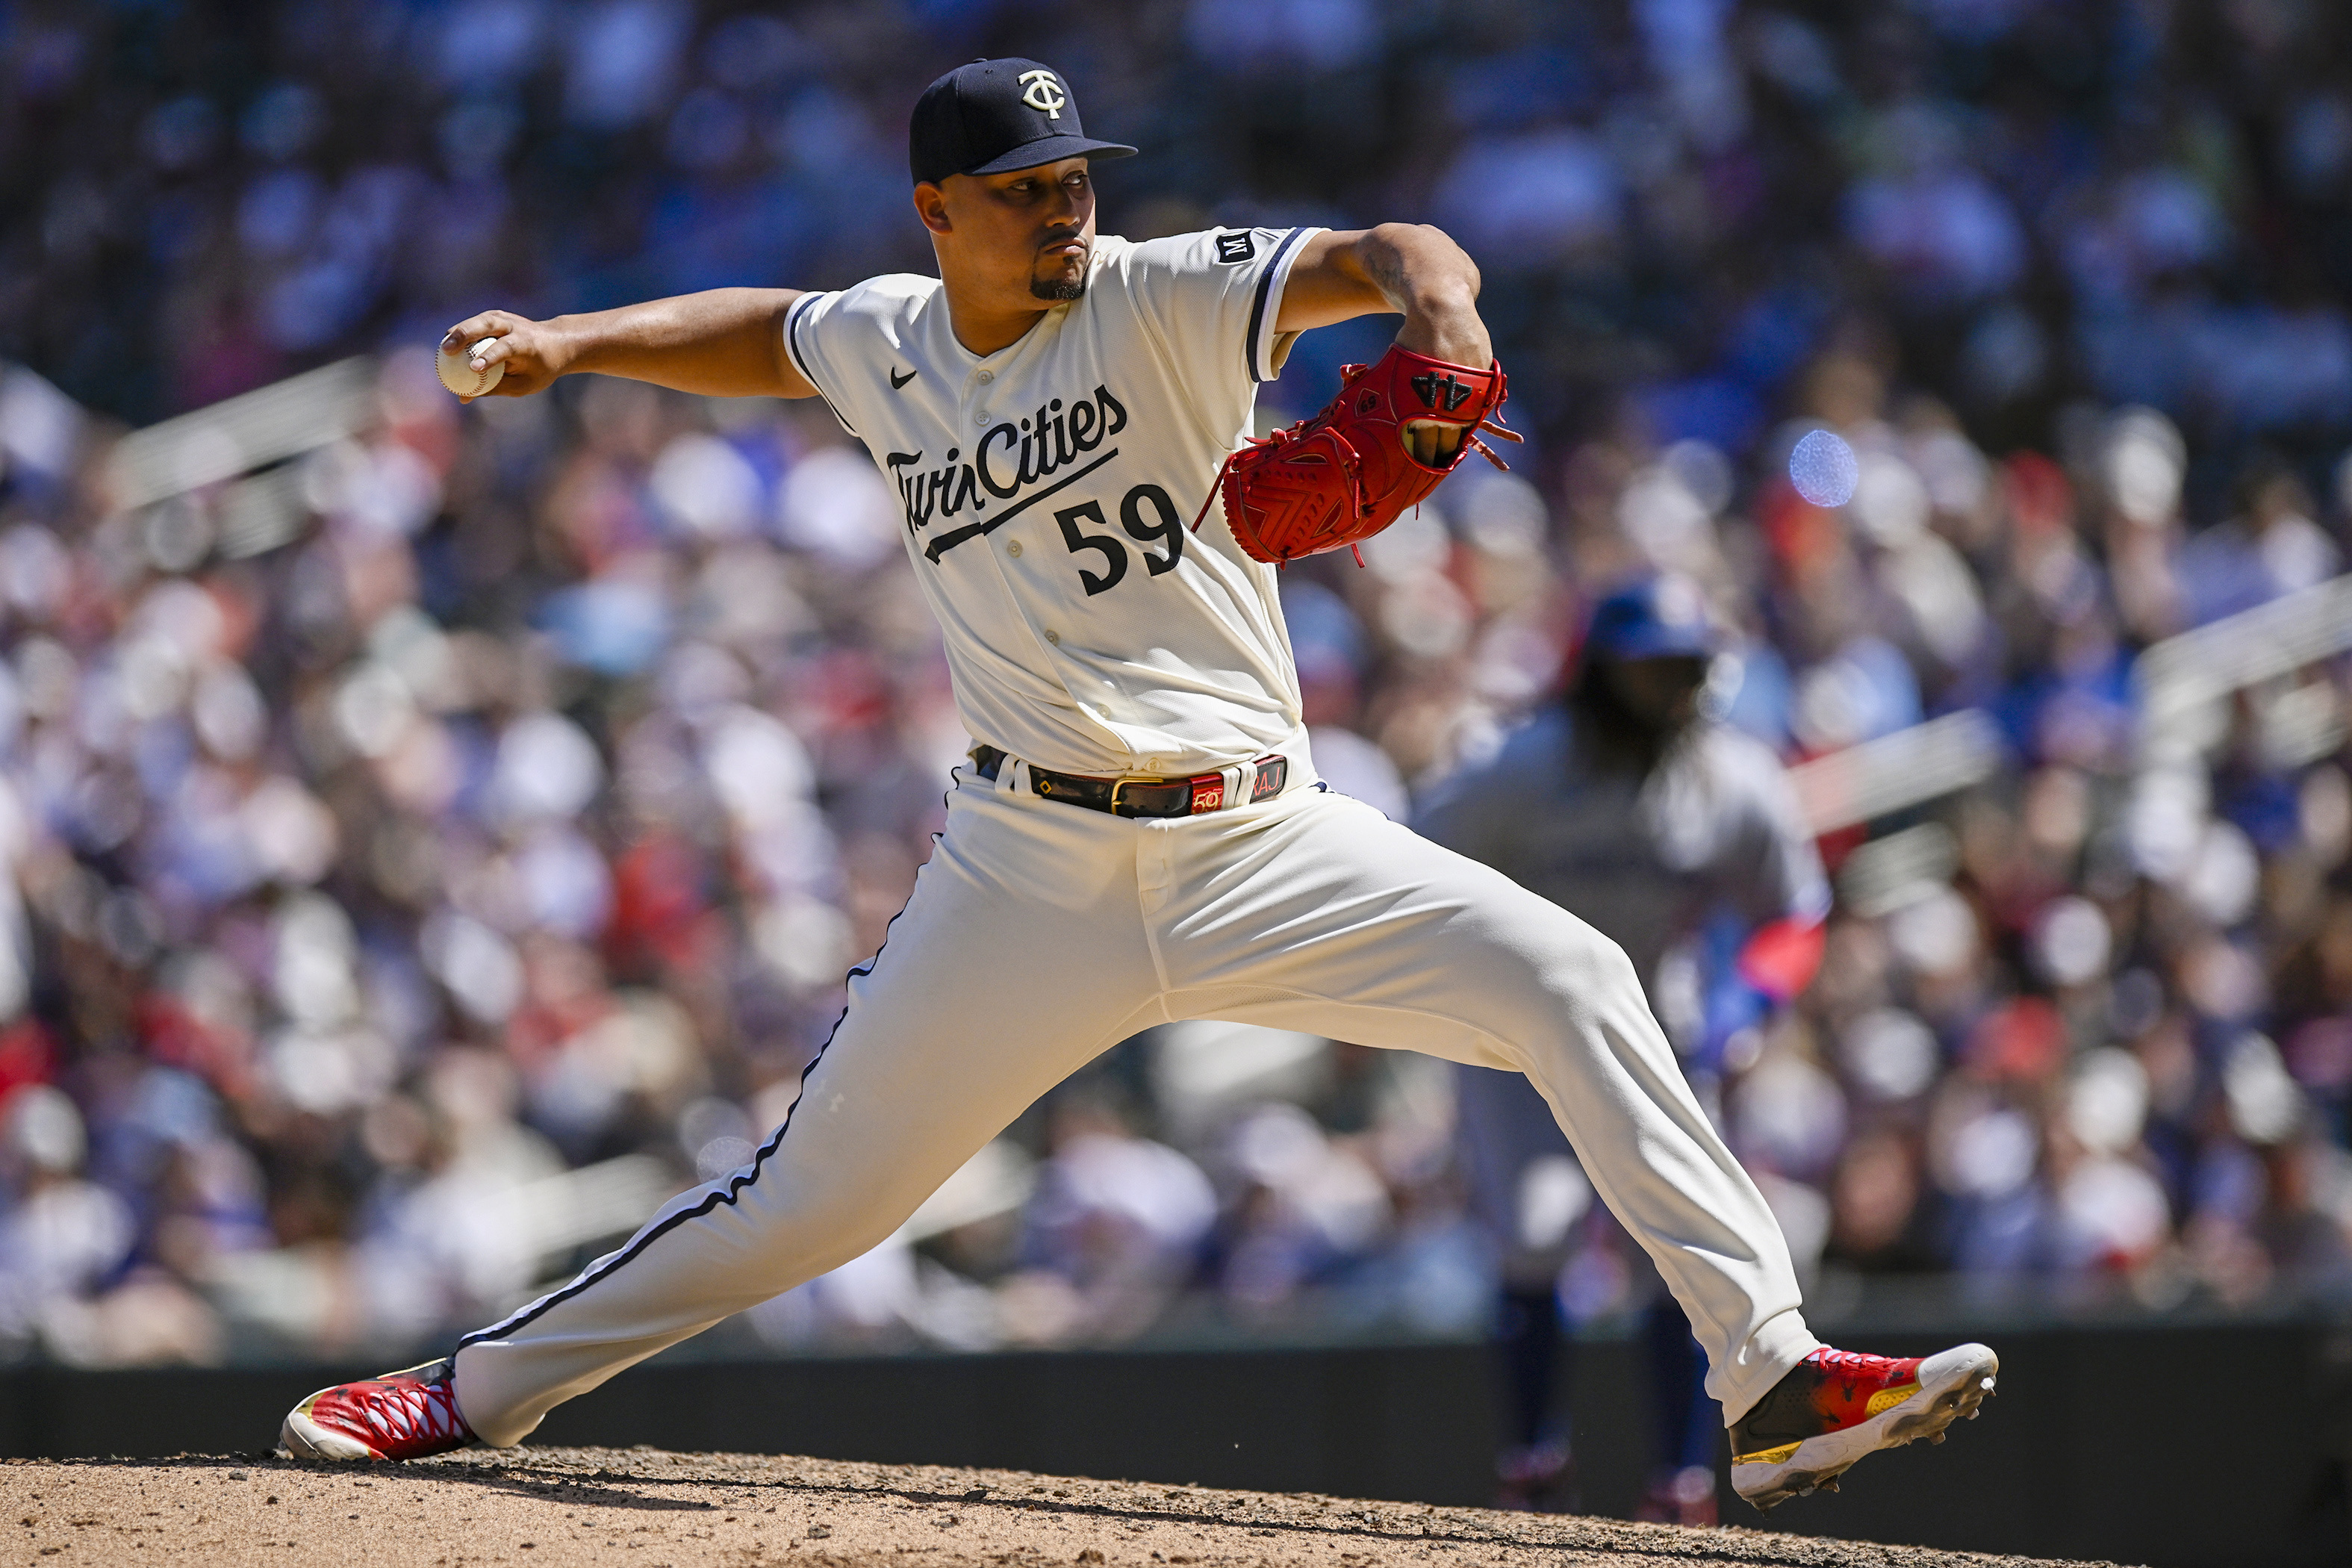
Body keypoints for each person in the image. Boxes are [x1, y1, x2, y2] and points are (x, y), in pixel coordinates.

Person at [277, 58, 1996, 1511]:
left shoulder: (1161, 295)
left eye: (1073, 177)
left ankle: (1768, 1378)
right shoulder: (891, 338)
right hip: (1023, 869)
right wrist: (572, 346)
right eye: (1023, 188)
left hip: (1261, 839)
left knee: (1576, 978)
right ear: (939, 211)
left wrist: (1447, 304)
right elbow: (766, 333)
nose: (1065, 207)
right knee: (805, 1206)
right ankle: (469, 1392)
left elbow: (1401, 251)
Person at [1419, 575, 1835, 1521]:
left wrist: (1750, 995)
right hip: (1521, 1037)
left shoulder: (1730, 777)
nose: (1671, 691)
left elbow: (1795, 916)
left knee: (1677, 1251)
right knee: (1534, 1231)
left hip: (1665, 1034)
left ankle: (1679, 1484)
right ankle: (1531, 1469)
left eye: (1686, 670)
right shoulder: (1522, 767)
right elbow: (1421, 864)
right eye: (1651, 670)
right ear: (1600, 674)